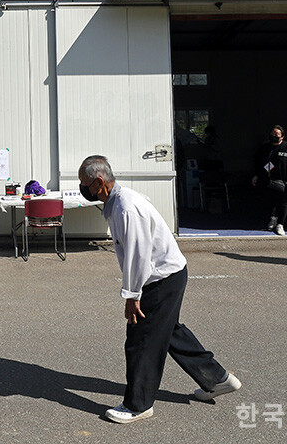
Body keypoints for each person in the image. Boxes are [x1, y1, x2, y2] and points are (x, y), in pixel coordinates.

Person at [78, 155, 240, 424]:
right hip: (169, 273)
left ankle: (138, 405)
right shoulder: (119, 200)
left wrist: (132, 295)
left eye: (86, 184)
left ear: (99, 181)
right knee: (168, 331)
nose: (84, 190)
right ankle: (218, 379)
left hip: (160, 278)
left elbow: (138, 257)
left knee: (141, 341)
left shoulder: (126, 207)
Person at [251, 125, 287, 235]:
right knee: (271, 200)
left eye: (277, 135)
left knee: (284, 202)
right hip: (270, 180)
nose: (274, 137)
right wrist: (257, 175)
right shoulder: (265, 148)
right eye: (272, 135)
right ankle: (273, 218)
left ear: (282, 136)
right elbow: (260, 163)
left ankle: (281, 224)